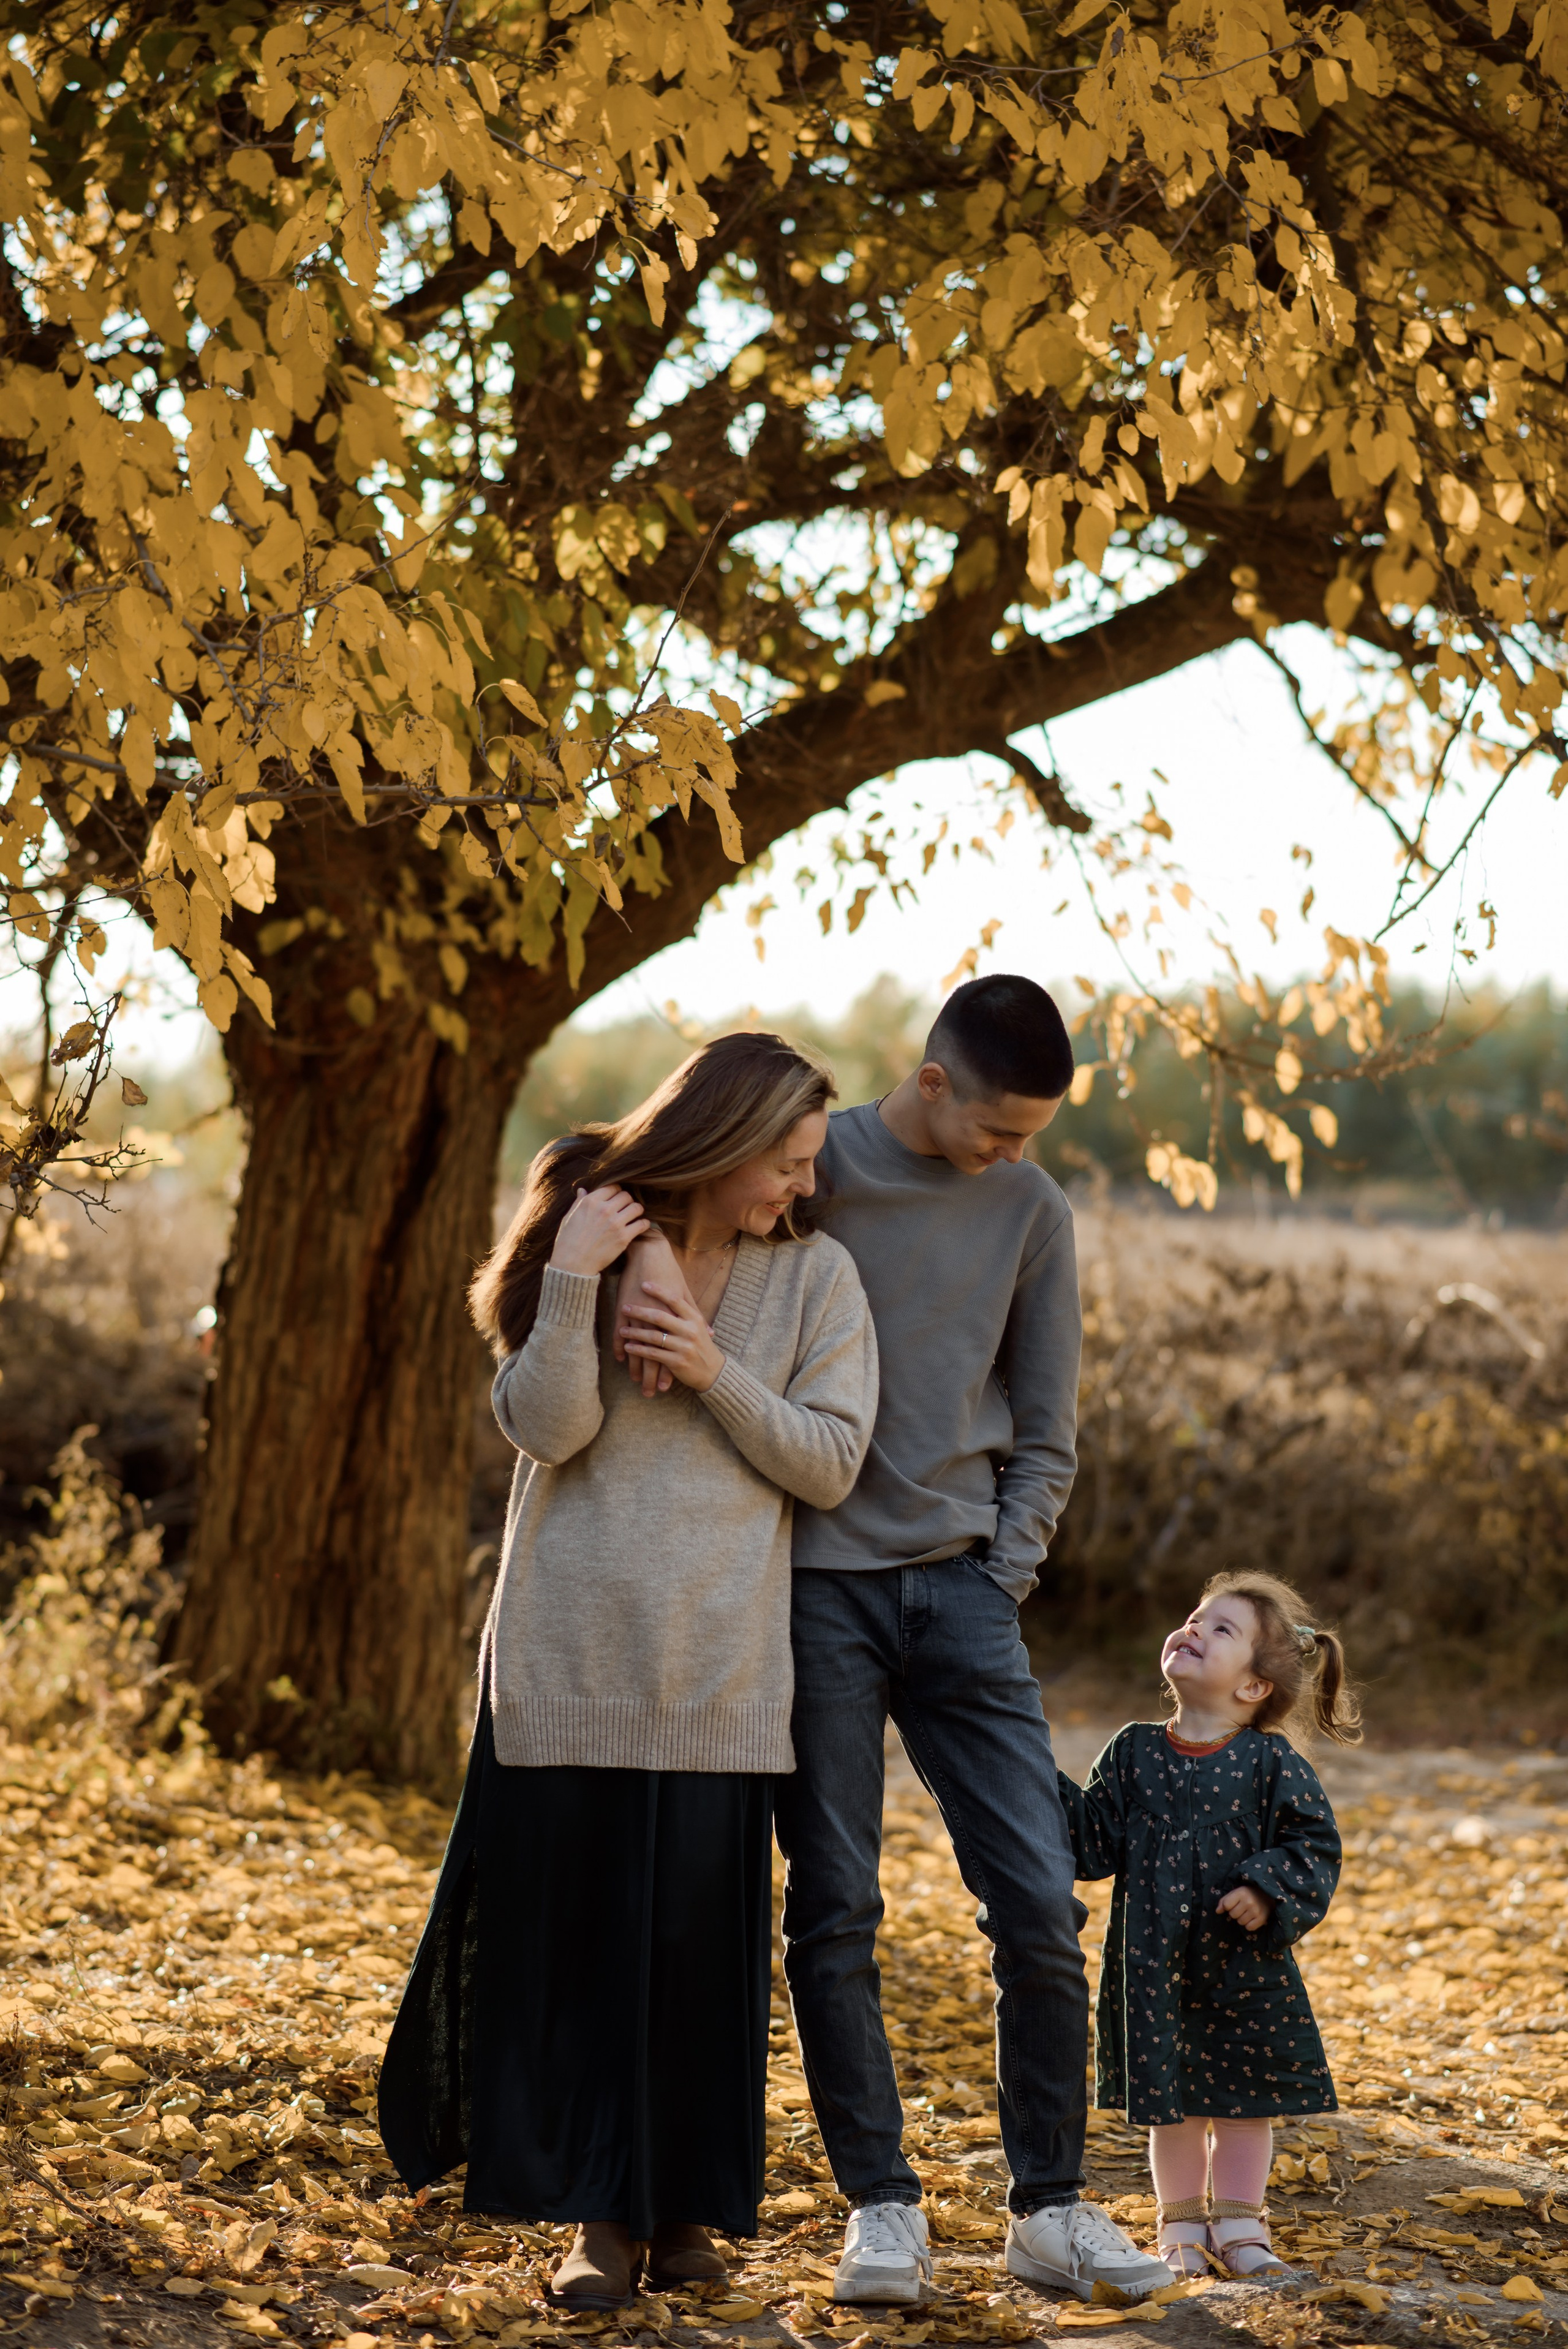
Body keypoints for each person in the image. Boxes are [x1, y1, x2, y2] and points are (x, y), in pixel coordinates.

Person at [378, 1032, 878, 2310]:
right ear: (723, 1142)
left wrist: (710, 1369)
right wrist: (574, 1282)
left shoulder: (816, 1278)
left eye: (811, 1163)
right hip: (567, 1655)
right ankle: (598, 2220)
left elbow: (828, 1464)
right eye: (787, 1161)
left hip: (715, 1670)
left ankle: (686, 2210)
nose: (804, 1186)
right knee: (579, 1960)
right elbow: (548, 1429)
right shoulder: (587, 1237)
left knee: (699, 1962)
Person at [766, 973, 1172, 2306]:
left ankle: (1047, 2210)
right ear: (931, 1081)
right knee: (834, 1908)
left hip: (960, 1594)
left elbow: (1048, 1422)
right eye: (999, 1129)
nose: (1013, 1156)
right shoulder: (814, 1169)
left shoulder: (1030, 1209)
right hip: (813, 1593)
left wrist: (1001, 1577)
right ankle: (881, 2210)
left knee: (1041, 1904)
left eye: (1033, 1136)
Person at [1057, 1571, 1359, 2285]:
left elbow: (1314, 1843)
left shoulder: (1269, 1761)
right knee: (1175, 2110)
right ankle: (1181, 2227)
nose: (1193, 1628)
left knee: (1244, 2105)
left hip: (1242, 1970)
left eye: (1220, 1628)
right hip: (1153, 1967)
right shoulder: (1132, 1752)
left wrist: (1266, 1886)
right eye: (1193, 1617)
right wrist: (1032, 1772)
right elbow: (1092, 1844)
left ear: (1253, 1685)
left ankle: (1241, 2226)